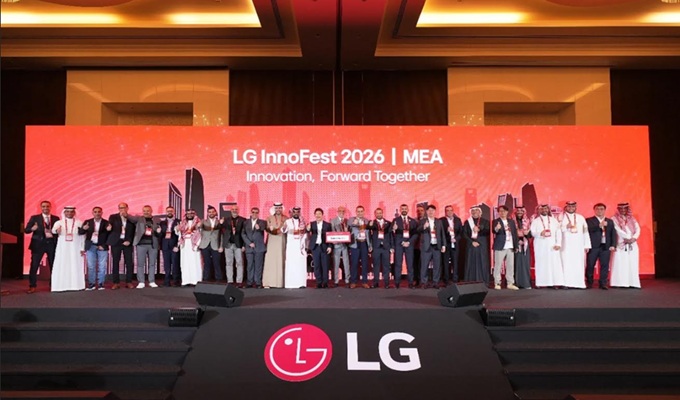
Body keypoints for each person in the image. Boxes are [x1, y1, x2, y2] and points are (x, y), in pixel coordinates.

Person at [24, 200, 59, 293]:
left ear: (50, 207)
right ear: (41, 207)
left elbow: (58, 231)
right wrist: (32, 228)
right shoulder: (34, 218)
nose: (45, 208)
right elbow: (26, 230)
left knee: (53, 265)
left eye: (47, 206)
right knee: (34, 265)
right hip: (38, 244)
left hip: (51, 244)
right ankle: (32, 286)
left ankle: (53, 285)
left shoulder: (56, 218)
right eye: (43, 206)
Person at [51, 206, 86, 292]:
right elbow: (53, 231)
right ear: (64, 212)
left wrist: (82, 248)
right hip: (63, 247)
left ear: (74, 213)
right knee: (62, 264)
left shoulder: (79, 223)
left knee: (75, 264)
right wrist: (57, 231)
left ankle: (76, 285)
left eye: (71, 212)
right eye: (67, 211)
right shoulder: (59, 222)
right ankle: (60, 286)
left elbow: (83, 236)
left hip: (76, 247)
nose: (69, 213)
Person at [530, 204, 564, 288]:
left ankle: (554, 283)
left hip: (552, 245)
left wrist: (558, 243)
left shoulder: (554, 220)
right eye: (542, 209)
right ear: (539, 210)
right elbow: (532, 232)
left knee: (554, 263)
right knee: (541, 263)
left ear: (548, 210)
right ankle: (541, 283)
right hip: (540, 245)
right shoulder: (535, 221)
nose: (544, 210)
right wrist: (540, 233)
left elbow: (558, 232)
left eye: (546, 209)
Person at [559, 201, 591, 289]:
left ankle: (579, 283)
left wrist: (587, 245)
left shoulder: (581, 218)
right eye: (569, 206)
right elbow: (557, 230)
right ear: (566, 207)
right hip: (565, 245)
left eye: (573, 207)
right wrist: (566, 227)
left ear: (575, 208)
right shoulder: (560, 217)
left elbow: (585, 231)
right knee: (565, 263)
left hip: (578, 245)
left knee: (578, 263)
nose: (571, 208)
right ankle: (565, 283)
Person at [585, 203, 617, 290]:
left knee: (605, 265)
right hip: (593, 246)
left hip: (605, 246)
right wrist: (599, 225)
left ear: (605, 210)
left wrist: (613, 245)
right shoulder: (589, 220)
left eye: (602, 209)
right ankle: (589, 282)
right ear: (594, 210)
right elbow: (588, 230)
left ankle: (603, 283)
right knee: (590, 265)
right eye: (597, 209)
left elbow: (613, 234)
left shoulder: (609, 221)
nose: (599, 211)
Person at [610, 203, 641, 288]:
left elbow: (638, 229)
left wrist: (634, 238)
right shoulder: (614, 219)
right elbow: (617, 229)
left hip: (632, 244)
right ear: (618, 210)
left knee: (632, 263)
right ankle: (620, 283)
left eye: (625, 209)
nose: (623, 210)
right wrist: (627, 237)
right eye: (621, 209)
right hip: (621, 244)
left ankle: (633, 283)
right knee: (621, 263)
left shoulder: (632, 219)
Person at [106, 203, 136, 290]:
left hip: (127, 242)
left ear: (127, 208)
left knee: (129, 262)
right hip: (116, 242)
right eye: (120, 208)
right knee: (115, 262)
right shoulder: (113, 217)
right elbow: (109, 227)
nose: (122, 209)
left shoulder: (131, 218)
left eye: (124, 207)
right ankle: (116, 282)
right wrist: (108, 228)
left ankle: (129, 282)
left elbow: (134, 231)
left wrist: (129, 241)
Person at [79, 206, 110, 290]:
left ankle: (101, 284)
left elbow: (110, 235)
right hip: (91, 246)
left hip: (102, 246)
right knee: (91, 266)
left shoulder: (106, 223)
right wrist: (83, 229)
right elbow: (80, 233)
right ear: (92, 213)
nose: (97, 213)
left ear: (102, 213)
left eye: (99, 212)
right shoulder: (88, 222)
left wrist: (104, 244)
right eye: (95, 212)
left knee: (102, 266)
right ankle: (91, 284)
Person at [417, 205, 446, 288]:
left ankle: (435, 282)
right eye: (429, 210)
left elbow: (442, 234)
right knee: (424, 265)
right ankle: (424, 282)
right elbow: (418, 230)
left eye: (432, 210)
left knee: (437, 265)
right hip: (426, 246)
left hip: (436, 246)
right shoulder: (422, 221)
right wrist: (424, 227)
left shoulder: (439, 221)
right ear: (426, 212)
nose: (431, 212)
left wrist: (444, 245)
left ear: (435, 211)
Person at [492, 205, 519, 290]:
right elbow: (494, 231)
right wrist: (497, 228)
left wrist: (516, 245)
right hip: (500, 246)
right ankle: (497, 282)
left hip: (510, 246)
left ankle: (510, 283)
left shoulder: (511, 221)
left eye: (504, 211)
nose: (502, 213)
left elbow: (514, 234)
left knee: (510, 265)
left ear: (507, 212)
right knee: (498, 265)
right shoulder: (496, 221)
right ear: (498, 212)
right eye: (500, 211)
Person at [133, 205, 160, 288]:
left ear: (151, 211)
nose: (146, 212)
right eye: (144, 210)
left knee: (152, 264)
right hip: (141, 245)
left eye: (148, 210)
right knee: (140, 264)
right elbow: (130, 218)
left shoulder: (156, 219)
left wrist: (158, 230)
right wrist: (124, 213)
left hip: (153, 244)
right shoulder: (139, 219)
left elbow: (158, 230)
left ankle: (151, 281)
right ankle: (141, 281)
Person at [463, 205, 491, 286]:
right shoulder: (467, 222)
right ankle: (470, 282)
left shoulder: (485, 221)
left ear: (480, 212)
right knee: (470, 262)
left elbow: (487, 232)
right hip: (471, 245)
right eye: (473, 211)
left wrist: (479, 229)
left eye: (476, 210)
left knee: (482, 262)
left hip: (482, 244)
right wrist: (472, 242)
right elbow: (464, 234)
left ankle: (483, 282)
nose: (474, 212)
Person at [392, 204, 418, 288]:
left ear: (408, 210)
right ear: (400, 210)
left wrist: (409, 242)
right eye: (402, 208)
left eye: (405, 208)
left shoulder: (413, 221)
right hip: (399, 244)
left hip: (409, 245)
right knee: (398, 264)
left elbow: (415, 234)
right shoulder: (395, 220)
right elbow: (391, 234)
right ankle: (397, 282)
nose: (404, 210)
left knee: (410, 264)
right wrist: (393, 230)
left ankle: (410, 282)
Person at [282, 206, 308, 289]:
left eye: (298, 212)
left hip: (300, 246)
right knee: (291, 264)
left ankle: (301, 283)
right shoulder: (288, 221)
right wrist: (288, 229)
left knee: (300, 265)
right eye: (294, 212)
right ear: (292, 213)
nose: (296, 213)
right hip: (291, 247)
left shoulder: (303, 221)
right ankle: (290, 283)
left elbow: (306, 232)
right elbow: (283, 230)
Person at [307, 208, 332, 288]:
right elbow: (307, 232)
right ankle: (318, 282)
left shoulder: (327, 225)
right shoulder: (312, 224)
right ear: (314, 215)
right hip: (315, 247)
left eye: (319, 214)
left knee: (325, 265)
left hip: (324, 246)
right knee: (317, 265)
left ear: (322, 215)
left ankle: (325, 282)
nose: (318, 215)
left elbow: (330, 236)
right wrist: (307, 229)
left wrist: (330, 246)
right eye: (316, 214)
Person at [368, 208, 393, 288]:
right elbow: (369, 235)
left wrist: (392, 246)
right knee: (376, 266)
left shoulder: (388, 223)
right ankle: (375, 282)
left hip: (386, 247)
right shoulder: (372, 223)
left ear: (382, 213)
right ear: (375, 214)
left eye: (380, 213)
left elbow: (391, 235)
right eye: (377, 213)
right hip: (376, 247)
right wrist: (370, 245)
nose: (379, 214)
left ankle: (386, 283)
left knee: (386, 266)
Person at [263, 202, 286, 288]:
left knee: (280, 260)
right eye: (276, 208)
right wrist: (272, 230)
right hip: (272, 242)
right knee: (271, 261)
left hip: (282, 241)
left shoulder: (286, 218)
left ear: (282, 209)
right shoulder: (269, 218)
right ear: (274, 209)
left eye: (280, 208)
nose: (278, 210)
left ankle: (280, 283)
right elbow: (267, 228)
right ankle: (269, 282)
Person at [242, 207, 267, 288]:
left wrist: (259, 228)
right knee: (249, 265)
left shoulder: (262, 222)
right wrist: (249, 243)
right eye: (253, 212)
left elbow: (263, 228)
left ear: (258, 213)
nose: (254, 214)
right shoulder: (246, 222)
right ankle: (249, 282)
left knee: (258, 266)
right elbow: (243, 234)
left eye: (256, 212)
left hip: (259, 247)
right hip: (249, 247)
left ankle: (258, 282)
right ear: (250, 213)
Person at [348, 205, 371, 288]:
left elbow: (369, 234)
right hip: (355, 244)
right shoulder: (351, 219)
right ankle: (353, 281)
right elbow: (349, 224)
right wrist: (355, 222)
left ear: (364, 212)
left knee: (365, 263)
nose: (360, 213)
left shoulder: (367, 221)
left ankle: (365, 281)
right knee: (354, 263)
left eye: (361, 211)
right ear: (356, 212)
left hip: (364, 243)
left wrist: (370, 245)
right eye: (358, 211)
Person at [177, 209, 202, 286]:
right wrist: (177, 230)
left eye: (191, 213)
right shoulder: (182, 223)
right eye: (188, 213)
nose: (189, 215)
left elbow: (201, 233)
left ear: (194, 214)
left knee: (195, 262)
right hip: (185, 245)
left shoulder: (199, 223)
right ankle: (186, 280)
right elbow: (179, 233)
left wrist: (197, 244)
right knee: (185, 263)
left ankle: (196, 280)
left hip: (194, 244)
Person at [223, 205, 246, 287]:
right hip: (228, 244)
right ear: (230, 210)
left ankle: (239, 281)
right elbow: (221, 230)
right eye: (233, 209)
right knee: (228, 263)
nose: (234, 210)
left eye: (236, 209)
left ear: (238, 210)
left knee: (239, 263)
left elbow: (245, 233)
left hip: (239, 244)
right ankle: (230, 281)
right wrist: (220, 223)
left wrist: (244, 245)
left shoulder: (243, 220)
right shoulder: (226, 220)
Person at [157, 206, 181, 287]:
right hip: (165, 245)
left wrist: (177, 245)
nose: (169, 212)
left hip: (174, 245)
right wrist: (159, 232)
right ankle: (166, 281)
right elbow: (161, 235)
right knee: (166, 264)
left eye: (171, 211)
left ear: (174, 212)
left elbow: (181, 236)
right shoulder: (162, 222)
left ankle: (176, 281)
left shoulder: (179, 222)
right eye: (168, 211)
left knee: (175, 264)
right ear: (166, 212)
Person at [199, 205, 223, 282]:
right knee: (206, 263)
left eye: (213, 212)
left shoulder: (219, 222)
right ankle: (205, 279)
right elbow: (197, 229)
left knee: (217, 263)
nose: (211, 213)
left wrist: (221, 246)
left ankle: (218, 279)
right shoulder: (203, 221)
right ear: (207, 213)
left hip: (216, 245)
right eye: (209, 212)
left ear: (215, 212)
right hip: (205, 245)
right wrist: (198, 225)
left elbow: (222, 235)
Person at [440, 205, 463, 285]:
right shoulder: (441, 220)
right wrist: (446, 230)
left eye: (451, 210)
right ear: (445, 212)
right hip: (446, 244)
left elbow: (461, 232)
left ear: (453, 211)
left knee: (455, 262)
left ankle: (455, 279)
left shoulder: (458, 220)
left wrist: (456, 239)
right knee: (445, 262)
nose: (449, 212)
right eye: (447, 210)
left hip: (455, 244)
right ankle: (446, 279)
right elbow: (439, 232)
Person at [513, 206, 533, 289]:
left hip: (525, 245)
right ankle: (516, 283)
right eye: (518, 211)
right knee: (515, 263)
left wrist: (527, 233)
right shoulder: (511, 221)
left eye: (521, 211)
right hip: (514, 244)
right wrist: (517, 239)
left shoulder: (527, 221)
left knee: (525, 263)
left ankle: (525, 283)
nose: (519, 212)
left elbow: (530, 235)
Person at [330, 206, 351, 285]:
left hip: (345, 245)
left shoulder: (347, 221)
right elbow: (332, 232)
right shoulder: (333, 221)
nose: (341, 212)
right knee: (336, 263)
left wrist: (347, 231)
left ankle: (347, 280)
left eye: (343, 211)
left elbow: (349, 232)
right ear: (337, 212)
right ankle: (336, 281)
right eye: (340, 211)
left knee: (346, 263)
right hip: (337, 245)